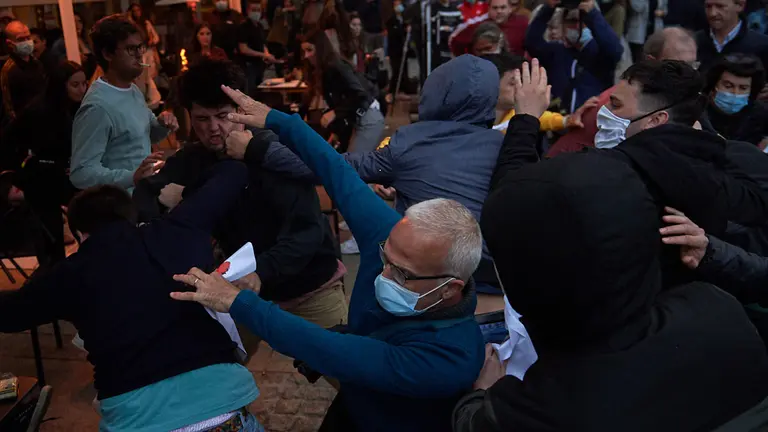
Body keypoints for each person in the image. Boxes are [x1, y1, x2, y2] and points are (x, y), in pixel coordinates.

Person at [452, 65, 768, 427]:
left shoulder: (554, 402)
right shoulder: (720, 313)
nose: (604, 113)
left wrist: (482, 397)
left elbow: (519, 199)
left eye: (616, 105)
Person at [169, 85, 486, 432]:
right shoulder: (393, 237)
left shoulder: (451, 356)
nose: (382, 274)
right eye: (384, 257)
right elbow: (338, 173)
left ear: (448, 290)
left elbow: (328, 349)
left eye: (400, 274)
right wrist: (279, 121)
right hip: (352, 406)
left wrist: (237, 302)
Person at [0, 162, 264, 431]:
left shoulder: (68, 274)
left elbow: (8, 315)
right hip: (224, 408)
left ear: (79, 232)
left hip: (137, 418)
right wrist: (172, 177)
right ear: (129, 216)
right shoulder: (179, 228)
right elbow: (232, 174)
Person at [134, 59, 347, 357]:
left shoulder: (273, 153)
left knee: (351, 378)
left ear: (243, 110)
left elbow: (307, 232)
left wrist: (262, 270)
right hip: (237, 293)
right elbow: (148, 193)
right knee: (212, 373)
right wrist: (145, 198)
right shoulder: (193, 159)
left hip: (309, 287)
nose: (214, 129)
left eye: (222, 116)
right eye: (202, 119)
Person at [501, 59, 768, 288]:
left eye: (615, 105)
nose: (605, 113)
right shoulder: (712, 171)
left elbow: (513, 200)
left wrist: (526, 118)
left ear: (655, 120)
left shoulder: (603, 173)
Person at [549, 26, 698, 156]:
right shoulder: (613, 106)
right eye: (676, 67)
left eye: (693, 65)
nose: (688, 74)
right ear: (651, 62)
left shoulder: (687, 105)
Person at [70, 15, 178, 192]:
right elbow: (81, 173)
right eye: (130, 49)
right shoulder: (97, 107)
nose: (139, 54)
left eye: (140, 47)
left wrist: (163, 123)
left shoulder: (132, 89)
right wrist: (131, 177)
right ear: (107, 54)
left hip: (141, 199)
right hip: (118, 207)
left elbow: (143, 135)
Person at [1, 61, 86, 265]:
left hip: (70, 174)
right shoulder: (38, 110)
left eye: (84, 84)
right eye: (75, 85)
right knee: (51, 238)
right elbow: (9, 142)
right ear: (60, 85)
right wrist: (15, 176)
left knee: (87, 222)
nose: (82, 90)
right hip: (42, 179)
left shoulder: (81, 108)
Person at [526, 0, 623, 113]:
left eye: (582, 21)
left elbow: (615, 50)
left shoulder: (601, 53)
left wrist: (592, 14)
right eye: (571, 21)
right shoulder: (556, 52)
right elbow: (531, 43)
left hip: (591, 120)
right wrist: (548, 8)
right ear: (562, 24)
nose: (577, 26)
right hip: (559, 122)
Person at [301, 29, 384, 152]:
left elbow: (360, 94)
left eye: (309, 50)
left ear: (320, 49)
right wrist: (336, 131)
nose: (306, 56)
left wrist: (334, 113)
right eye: (304, 51)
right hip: (358, 118)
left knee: (353, 164)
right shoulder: (327, 70)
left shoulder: (336, 67)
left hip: (367, 117)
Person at [484, 52, 596, 133]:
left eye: (522, 81)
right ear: (489, 85)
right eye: (513, 83)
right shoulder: (469, 122)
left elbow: (543, 118)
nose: (520, 87)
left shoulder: (517, 115)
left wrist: (567, 120)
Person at [702, 53, 768, 147]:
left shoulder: (761, 115)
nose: (735, 92)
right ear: (714, 85)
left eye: (743, 88)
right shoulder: (697, 111)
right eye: (728, 86)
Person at [697, 0, 768, 72]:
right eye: (708, 6)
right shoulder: (694, 41)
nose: (712, 13)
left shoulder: (762, 45)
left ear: (740, 6)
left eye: (720, 6)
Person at [0, 20, 46, 123]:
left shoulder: (37, 63)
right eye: (21, 39)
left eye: (28, 38)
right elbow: (9, 108)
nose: (26, 42)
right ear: (10, 43)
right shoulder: (9, 71)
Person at [451, 0, 529, 56]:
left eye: (503, 7)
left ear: (510, 9)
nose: (499, 11)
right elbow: (456, 42)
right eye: (495, 8)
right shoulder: (478, 26)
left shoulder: (522, 23)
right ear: (488, 9)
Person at [238, 1, 275, 94]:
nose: (256, 12)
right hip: (248, 65)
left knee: (260, 92)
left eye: (258, 10)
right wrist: (263, 54)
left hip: (259, 65)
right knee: (251, 92)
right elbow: (243, 49)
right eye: (253, 10)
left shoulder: (259, 26)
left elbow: (263, 44)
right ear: (247, 11)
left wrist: (267, 54)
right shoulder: (243, 27)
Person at [52, 13, 96, 78]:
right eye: (73, 21)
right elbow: (57, 64)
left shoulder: (87, 40)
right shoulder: (60, 43)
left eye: (79, 21)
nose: (77, 24)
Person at [266, 0, 296, 77]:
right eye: (286, 2)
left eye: (289, 2)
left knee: (283, 62)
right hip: (275, 40)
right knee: (279, 62)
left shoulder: (290, 15)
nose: (287, 4)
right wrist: (289, 9)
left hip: (282, 41)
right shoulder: (280, 9)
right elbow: (278, 12)